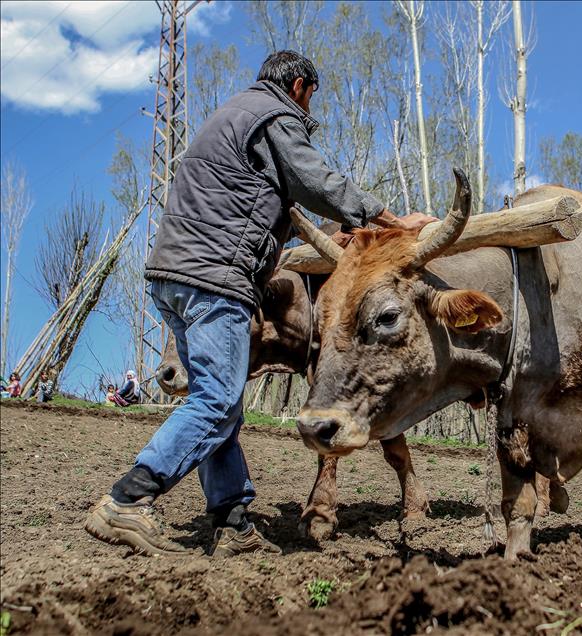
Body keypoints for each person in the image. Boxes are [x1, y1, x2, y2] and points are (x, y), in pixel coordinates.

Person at [84, 50, 434, 558]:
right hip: (215, 280)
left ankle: (233, 520)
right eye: (311, 96)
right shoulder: (272, 115)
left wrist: (354, 232)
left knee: (216, 403)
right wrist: (393, 221)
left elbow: (267, 202)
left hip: (175, 276)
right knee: (217, 404)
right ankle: (128, 498)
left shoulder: (232, 118)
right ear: (298, 86)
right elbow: (317, 179)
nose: (311, 109)